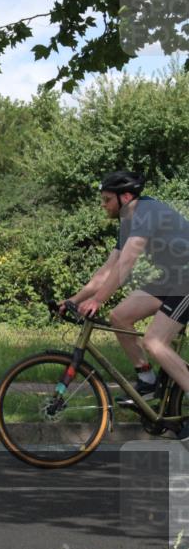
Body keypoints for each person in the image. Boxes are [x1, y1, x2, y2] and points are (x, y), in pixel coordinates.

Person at [62, 171, 189, 406]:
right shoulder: (128, 221)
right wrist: (73, 299)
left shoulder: (146, 213)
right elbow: (108, 269)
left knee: (155, 342)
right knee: (119, 316)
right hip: (173, 277)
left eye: (107, 199)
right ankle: (148, 382)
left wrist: (98, 300)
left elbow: (126, 264)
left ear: (126, 196)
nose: (103, 205)